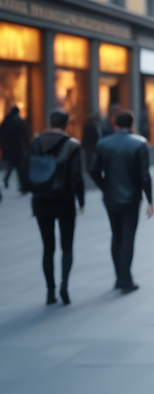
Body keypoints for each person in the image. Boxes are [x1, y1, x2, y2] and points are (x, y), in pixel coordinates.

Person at [24, 110, 85, 305]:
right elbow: (77, 177)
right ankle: (64, 286)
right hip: (64, 200)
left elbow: (30, 169)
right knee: (66, 246)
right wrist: (81, 200)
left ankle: (50, 291)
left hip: (41, 200)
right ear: (66, 123)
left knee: (47, 248)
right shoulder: (73, 145)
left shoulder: (37, 142)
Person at [90, 111, 154, 294]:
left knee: (116, 235)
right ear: (132, 124)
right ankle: (125, 279)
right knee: (127, 237)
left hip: (111, 198)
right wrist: (150, 199)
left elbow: (94, 170)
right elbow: (144, 176)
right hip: (132, 198)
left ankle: (120, 277)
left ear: (115, 124)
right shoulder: (139, 143)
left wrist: (105, 187)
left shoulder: (103, 143)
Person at [1, 105, 29, 190]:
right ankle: (23, 186)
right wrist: (28, 146)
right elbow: (25, 135)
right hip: (17, 148)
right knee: (20, 167)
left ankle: (7, 179)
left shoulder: (7, 120)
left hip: (8, 148)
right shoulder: (18, 121)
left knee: (13, 165)